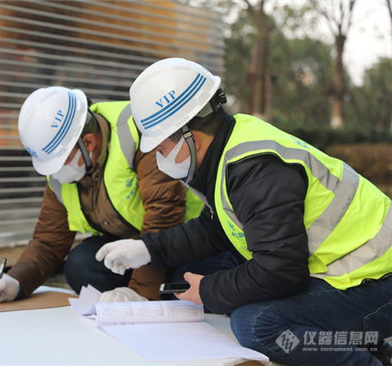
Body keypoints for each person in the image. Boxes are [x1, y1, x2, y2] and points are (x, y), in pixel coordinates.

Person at [96, 58, 392, 365]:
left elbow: (281, 271)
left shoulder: (255, 168)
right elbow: (214, 228)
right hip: (355, 275)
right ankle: (371, 347)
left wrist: (207, 290)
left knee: (257, 324)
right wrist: (148, 249)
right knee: (250, 306)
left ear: (190, 138)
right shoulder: (231, 151)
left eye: (160, 149)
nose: (159, 160)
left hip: (380, 281)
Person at [0, 86, 211, 304]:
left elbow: (164, 217)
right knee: (81, 265)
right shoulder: (62, 171)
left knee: (188, 280)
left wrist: (139, 292)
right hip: (131, 246)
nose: (55, 173)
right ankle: (148, 289)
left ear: (88, 143)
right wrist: (16, 281)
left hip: (183, 240)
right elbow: (48, 239)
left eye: (60, 163)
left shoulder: (138, 135)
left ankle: (160, 292)